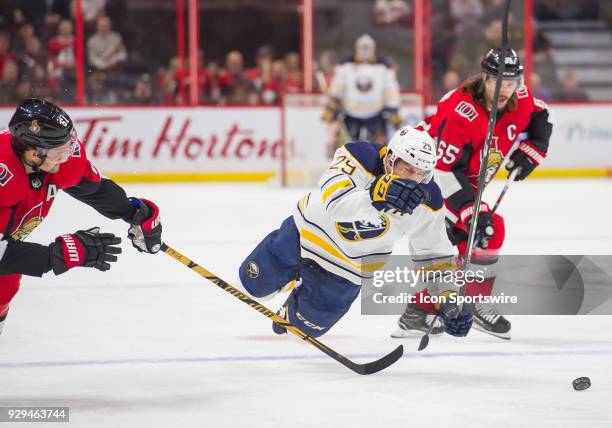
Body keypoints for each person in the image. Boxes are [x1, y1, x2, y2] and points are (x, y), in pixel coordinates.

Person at [238, 126, 473, 339]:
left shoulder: (428, 201)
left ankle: (292, 306)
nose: (413, 178)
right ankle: (285, 280)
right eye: (407, 169)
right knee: (251, 284)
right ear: (391, 159)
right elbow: (335, 204)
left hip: (347, 271)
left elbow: (434, 257)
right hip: (304, 235)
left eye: (420, 172)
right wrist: (376, 194)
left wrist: (448, 301)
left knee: (299, 329)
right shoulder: (358, 156)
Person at [392, 48, 553, 339]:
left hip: (461, 184)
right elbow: (441, 171)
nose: (505, 89)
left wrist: (532, 150)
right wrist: (471, 211)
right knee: (483, 230)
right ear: (485, 79)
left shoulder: (521, 98)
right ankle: (470, 303)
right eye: (497, 81)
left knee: (463, 241)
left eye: (511, 82)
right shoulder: (460, 111)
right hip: (425, 182)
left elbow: (541, 113)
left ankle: (417, 314)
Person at [0, 99, 163, 334]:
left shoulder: (53, 161)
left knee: (5, 287)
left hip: (8, 245)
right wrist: (57, 255)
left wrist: (133, 212)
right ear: (34, 153)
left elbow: (89, 186)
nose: (67, 156)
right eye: (59, 151)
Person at [323, 34, 401, 147]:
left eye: (367, 47)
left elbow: (391, 90)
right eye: (362, 47)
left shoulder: (383, 67)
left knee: (379, 147)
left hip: (376, 114)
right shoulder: (345, 65)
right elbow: (337, 88)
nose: (365, 51)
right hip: (350, 113)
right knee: (348, 147)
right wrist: (332, 107)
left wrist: (393, 108)